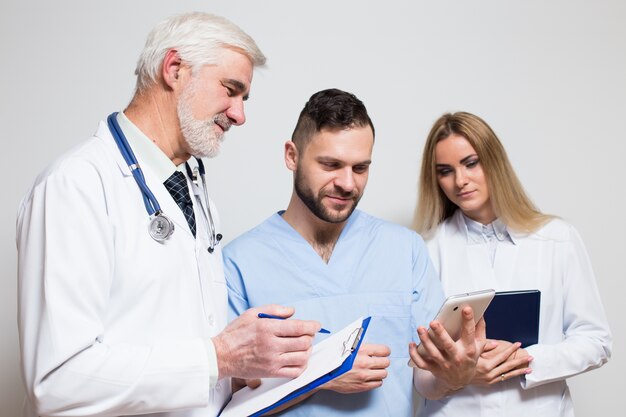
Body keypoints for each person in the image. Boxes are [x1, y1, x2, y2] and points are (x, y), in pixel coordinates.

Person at [16, 12, 322, 417]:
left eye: (244, 99)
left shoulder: (191, 188)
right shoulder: (75, 186)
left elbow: (177, 342)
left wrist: (257, 369)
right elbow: (58, 381)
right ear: (174, 69)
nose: (239, 114)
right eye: (231, 90)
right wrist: (220, 358)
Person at [223, 89, 485, 416]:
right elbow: (228, 393)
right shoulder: (238, 262)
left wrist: (453, 376)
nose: (348, 184)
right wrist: (322, 373)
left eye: (360, 168)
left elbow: (424, 377)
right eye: (331, 164)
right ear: (292, 156)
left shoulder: (405, 249)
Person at [409, 111, 612, 416]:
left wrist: (526, 360)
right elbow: (418, 374)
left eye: (470, 163)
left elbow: (596, 341)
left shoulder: (557, 238)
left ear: (494, 161)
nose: (460, 181)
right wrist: (455, 374)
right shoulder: (426, 251)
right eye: (445, 171)